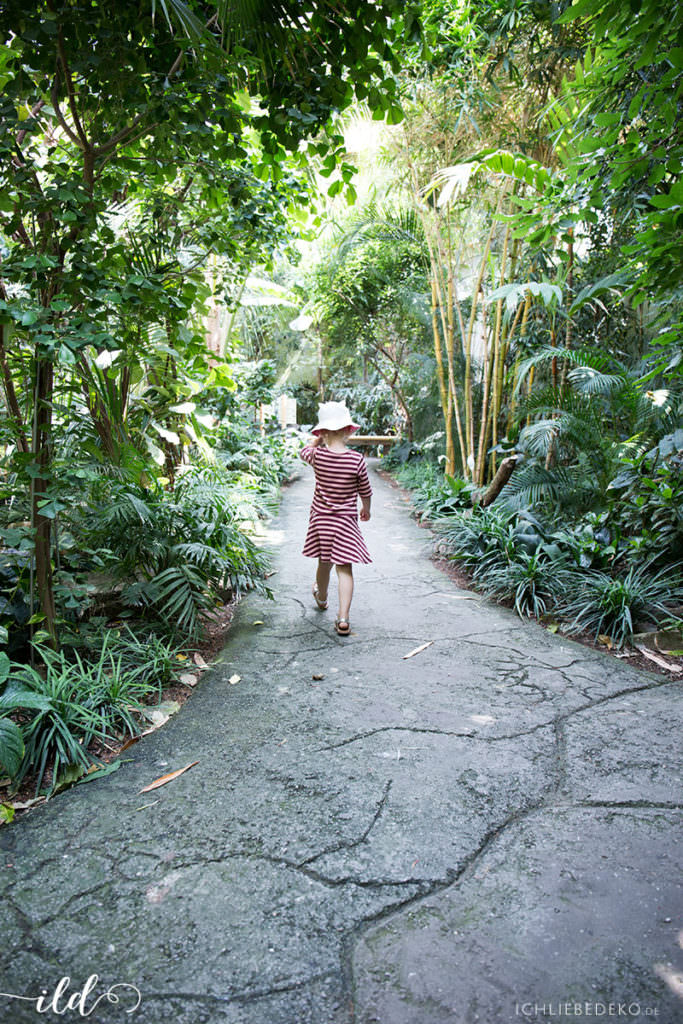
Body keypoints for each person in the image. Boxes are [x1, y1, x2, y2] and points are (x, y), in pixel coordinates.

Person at [299, 401, 372, 636]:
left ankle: (321, 598)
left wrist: (318, 439)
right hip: (345, 523)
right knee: (345, 569)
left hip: (321, 521)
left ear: (322, 432)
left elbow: (304, 451)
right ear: (347, 430)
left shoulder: (317, 456)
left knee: (324, 562)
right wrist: (366, 509)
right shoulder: (356, 460)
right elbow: (366, 491)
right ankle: (343, 618)